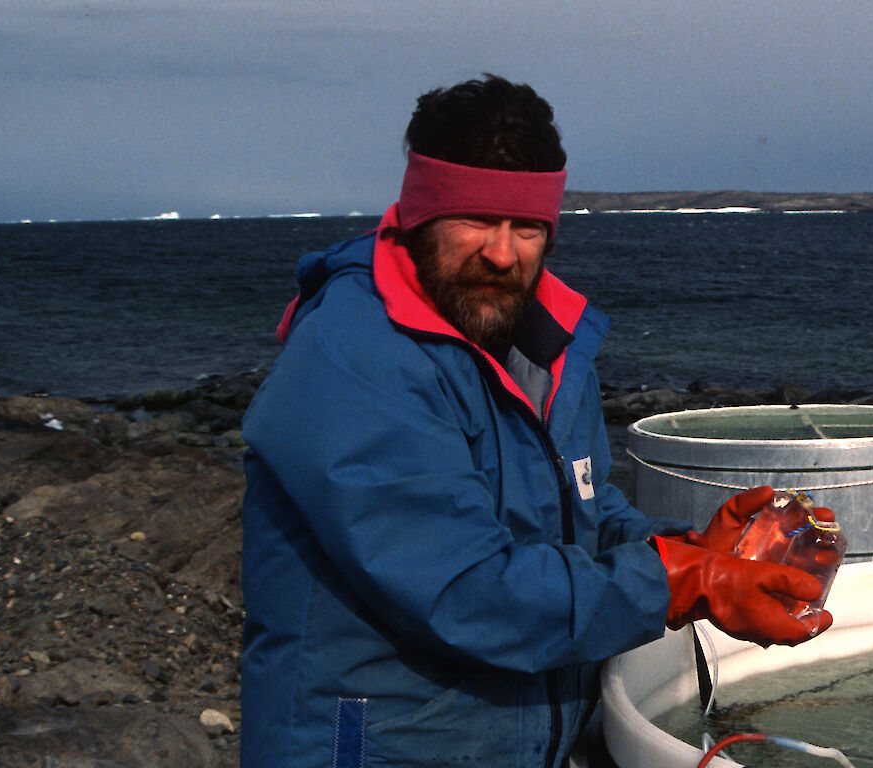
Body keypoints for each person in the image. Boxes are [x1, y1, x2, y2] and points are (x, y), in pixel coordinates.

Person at [239, 74, 832, 768]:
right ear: (420, 214)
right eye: (476, 219)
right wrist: (678, 581)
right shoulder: (355, 355)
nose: (502, 252)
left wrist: (689, 549)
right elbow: (466, 590)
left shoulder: (537, 338)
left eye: (526, 226)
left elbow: (571, 509)